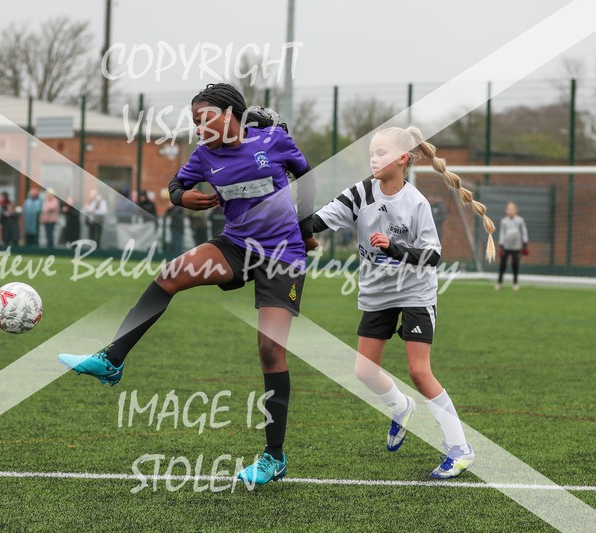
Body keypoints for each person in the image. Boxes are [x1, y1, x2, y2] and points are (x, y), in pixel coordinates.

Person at [59, 83, 316, 486]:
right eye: (194, 121)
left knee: (269, 350)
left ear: (230, 114)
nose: (198, 128)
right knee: (170, 275)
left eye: (204, 118)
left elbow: (307, 177)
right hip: (234, 246)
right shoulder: (204, 156)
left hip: (282, 256)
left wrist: (305, 228)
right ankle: (112, 359)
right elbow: (175, 186)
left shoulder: (273, 140)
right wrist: (183, 199)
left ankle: (274, 457)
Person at [310, 126, 496, 479]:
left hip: (415, 292)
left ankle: (460, 449)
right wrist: (291, 225)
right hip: (377, 293)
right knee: (364, 371)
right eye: (371, 153)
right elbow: (319, 219)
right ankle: (401, 407)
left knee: (418, 371)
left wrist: (393, 248)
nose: (373, 159)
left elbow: (432, 257)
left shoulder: (416, 203)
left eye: (381, 153)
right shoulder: (361, 193)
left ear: (403, 159)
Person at [496, 201, 529, 291]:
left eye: (512, 209)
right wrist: (501, 244)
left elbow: (524, 232)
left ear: (516, 210)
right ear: (506, 210)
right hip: (506, 247)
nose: (510, 211)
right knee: (502, 265)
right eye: (508, 209)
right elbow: (502, 233)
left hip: (516, 247)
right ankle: (499, 282)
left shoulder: (520, 220)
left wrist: (525, 243)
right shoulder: (504, 221)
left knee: (515, 265)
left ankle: (515, 283)